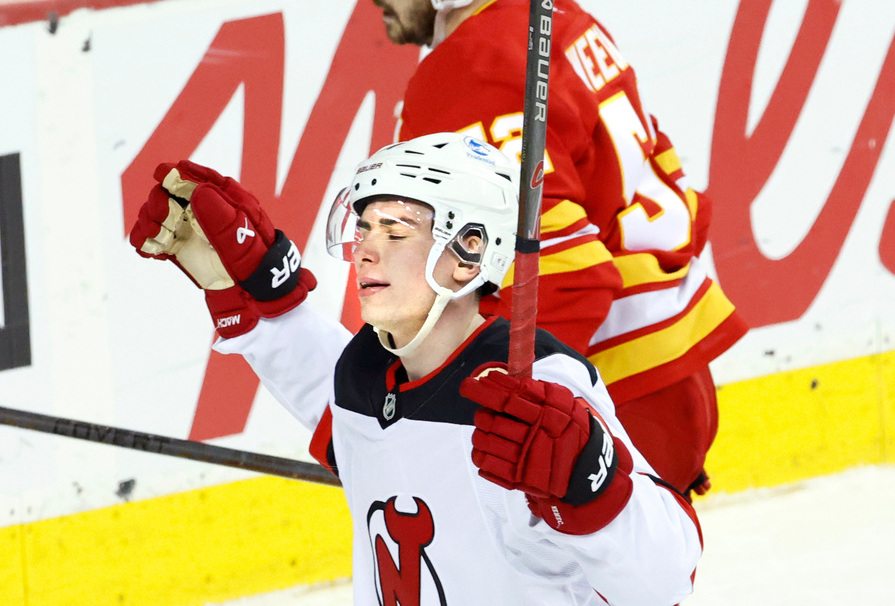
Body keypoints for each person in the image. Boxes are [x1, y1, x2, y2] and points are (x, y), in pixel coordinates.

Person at [130, 133, 701, 605]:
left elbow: (667, 580)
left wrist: (594, 491)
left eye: (395, 232)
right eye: (365, 229)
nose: (367, 251)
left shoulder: (538, 389)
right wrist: (260, 295)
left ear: (467, 252)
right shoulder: (367, 373)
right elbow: (372, 433)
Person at [338, 0, 749, 497]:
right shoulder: (557, 21)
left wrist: (468, 406)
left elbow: (566, 279)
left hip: (599, 407)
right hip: (668, 374)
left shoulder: (467, 74)